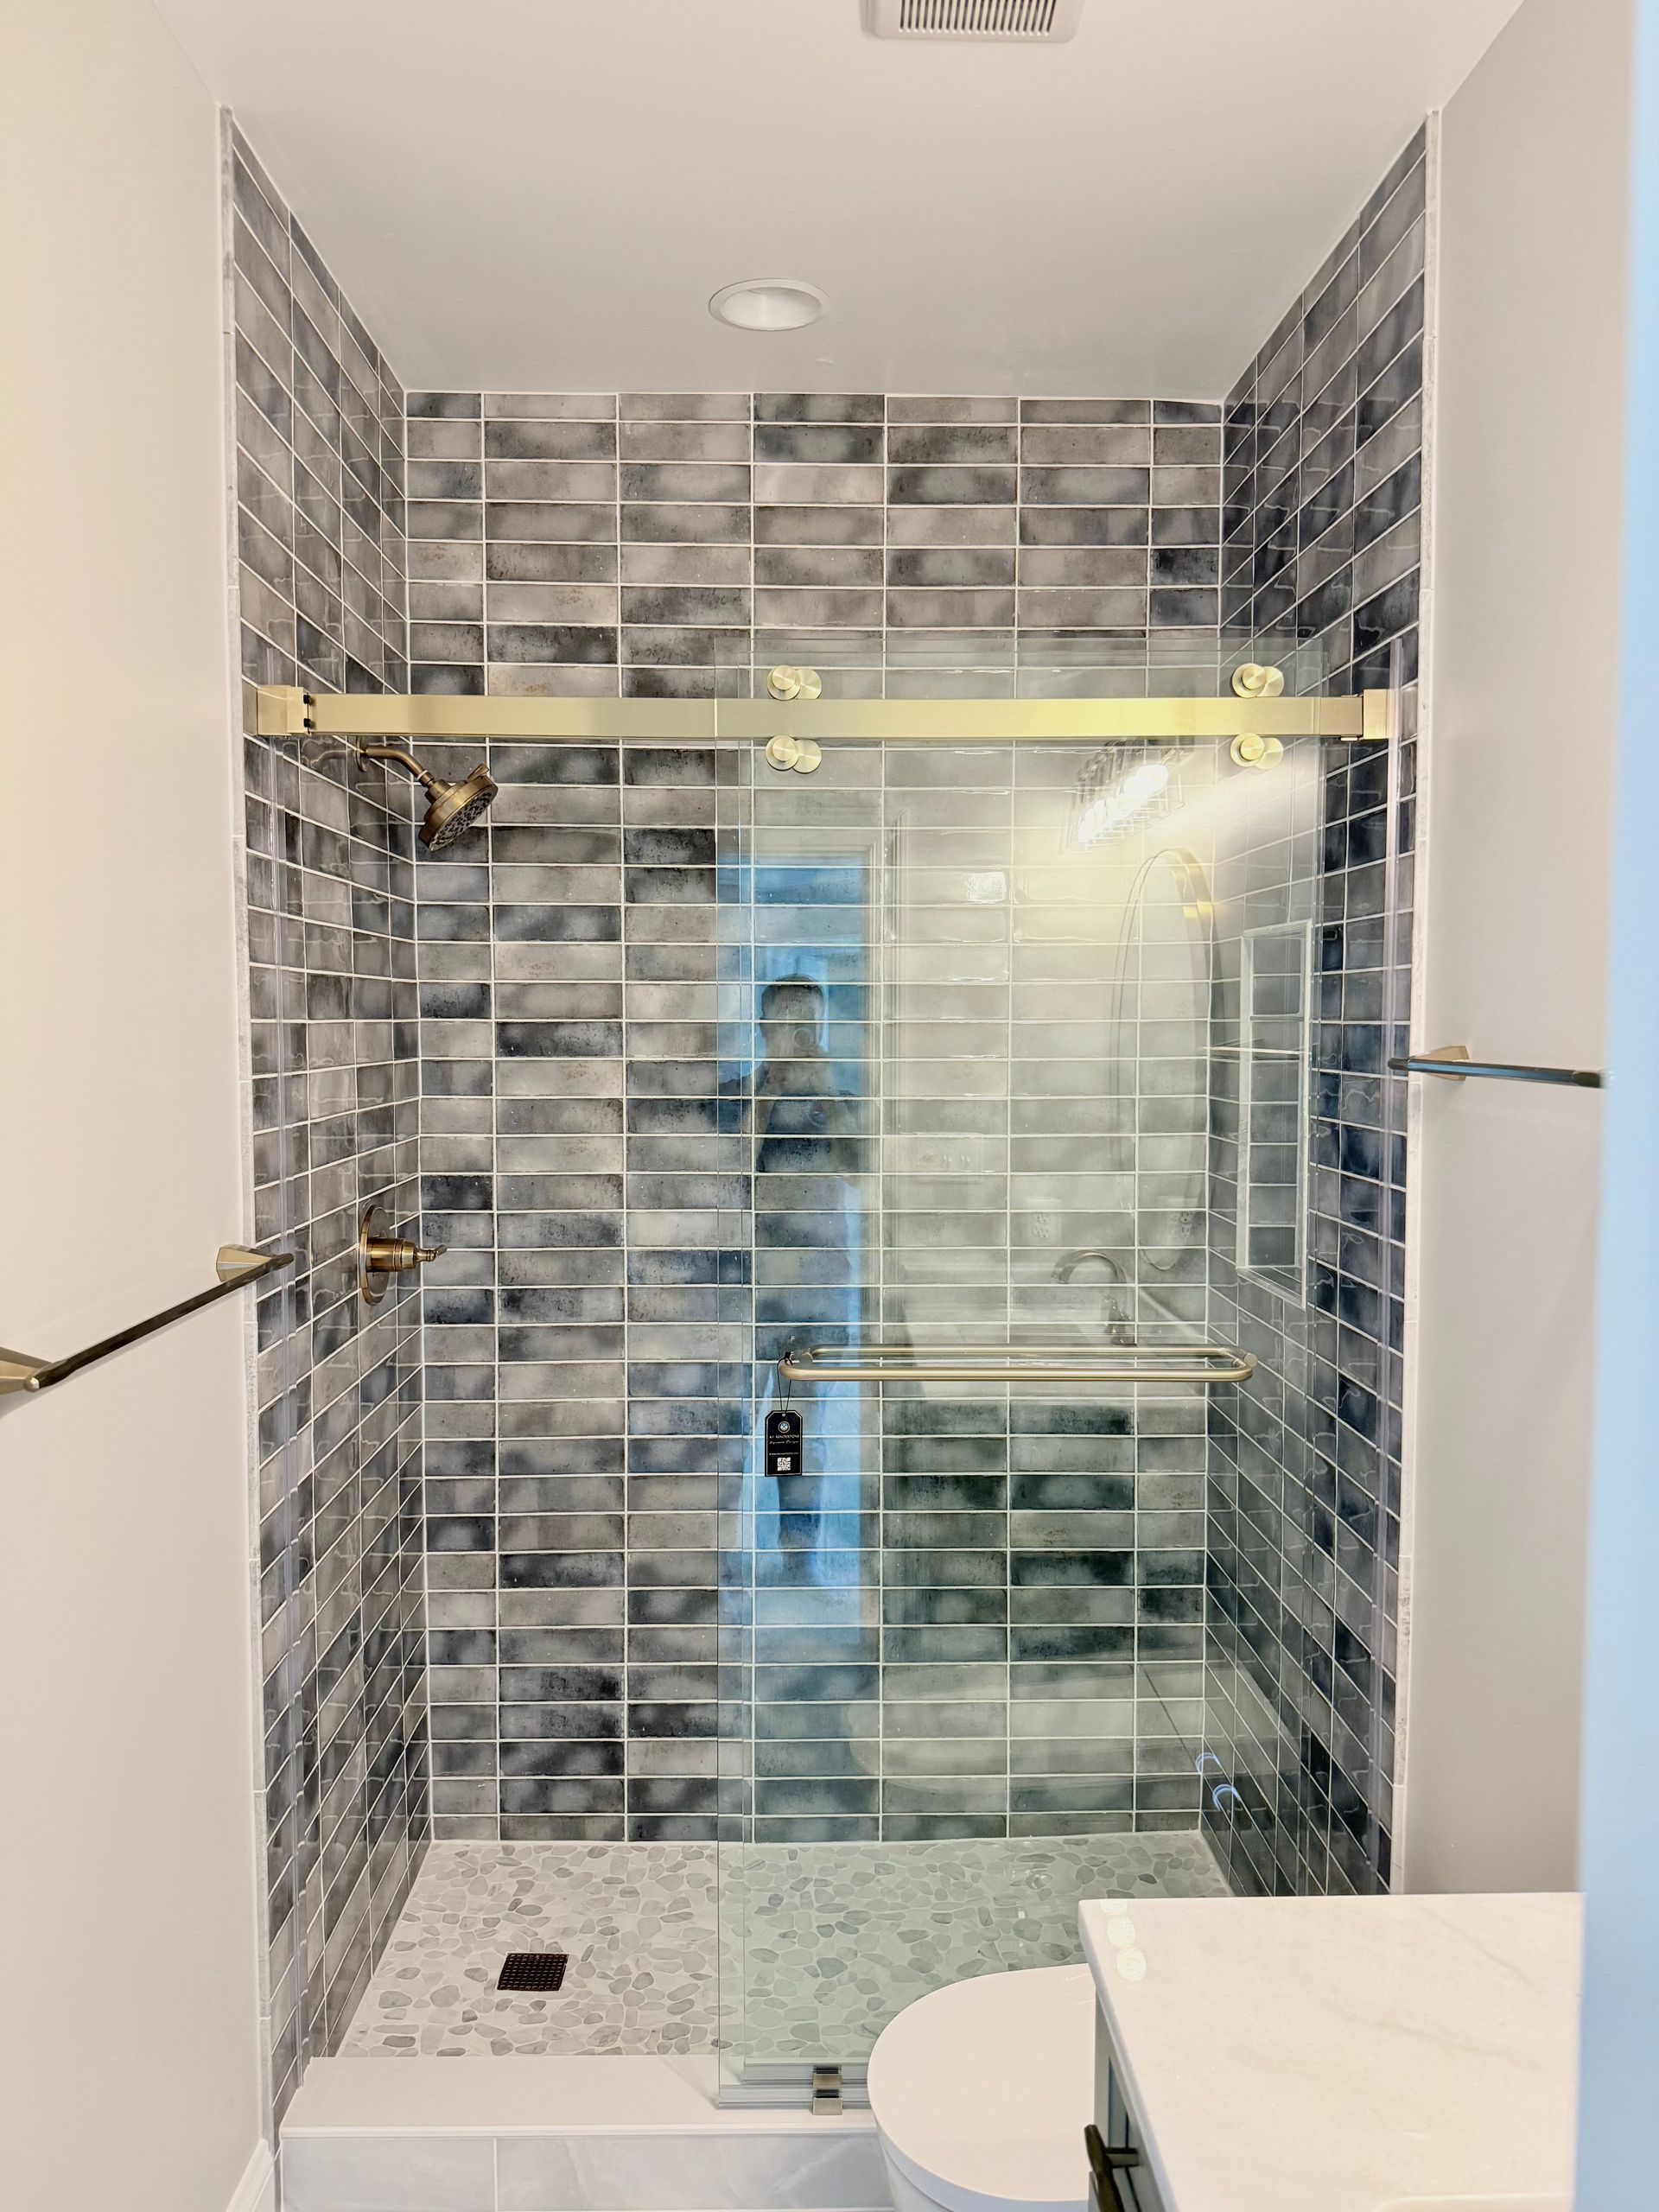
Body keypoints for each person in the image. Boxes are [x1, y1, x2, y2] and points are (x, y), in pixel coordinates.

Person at [725, 976, 862, 1578]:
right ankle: (717, 1559)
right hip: (746, 1290)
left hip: (814, 1293)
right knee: (729, 1429)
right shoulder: (740, 1096)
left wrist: (825, 1091)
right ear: (763, 1028)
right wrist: (770, 1091)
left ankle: (797, 1556)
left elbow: (860, 1170)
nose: (800, 1033)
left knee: (793, 1431)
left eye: (809, 1023)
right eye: (788, 1022)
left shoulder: (838, 1101)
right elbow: (728, 1172)